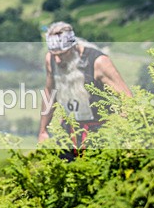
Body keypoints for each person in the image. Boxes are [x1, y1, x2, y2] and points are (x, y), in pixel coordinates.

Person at [38, 21, 131, 153]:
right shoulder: (51, 60)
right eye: (54, 54)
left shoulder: (98, 62)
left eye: (62, 54)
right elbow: (49, 93)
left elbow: (127, 99)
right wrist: (43, 131)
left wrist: (120, 131)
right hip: (68, 133)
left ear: (73, 47)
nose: (57, 60)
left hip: (99, 134)